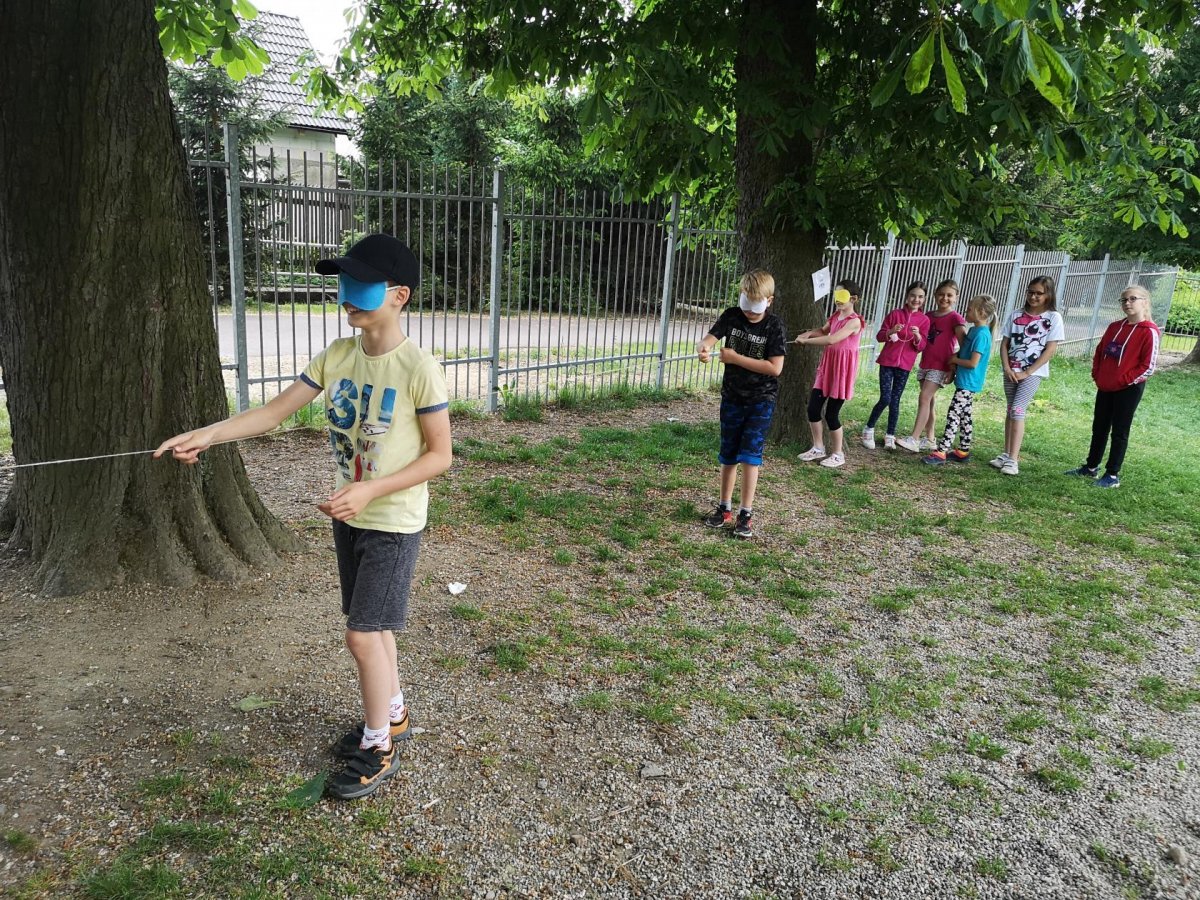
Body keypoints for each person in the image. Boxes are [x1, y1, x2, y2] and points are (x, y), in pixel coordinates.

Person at [155, 234, 452, 801]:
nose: (347, 295)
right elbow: (272, 413)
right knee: (375, 629)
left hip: (393, 521)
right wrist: (208, 434)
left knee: (361, 635)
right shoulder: (337, 356)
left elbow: (441, 456)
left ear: (399, 295)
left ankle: (378, 747)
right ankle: (393, 716)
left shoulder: (419, 368)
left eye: (361, 285)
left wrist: (370, 491)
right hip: (350, 515)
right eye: (343, 283)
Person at [698, 269, 788, 539]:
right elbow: (709, 339)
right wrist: (704, 349)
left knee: (750, 456)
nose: (749, 309)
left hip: (761, 401)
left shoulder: (774, 327)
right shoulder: (731, 316)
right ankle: (724, 507)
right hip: (732, 398)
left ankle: (745, 513)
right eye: (745, 300)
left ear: (769, 301)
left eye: (755, 303)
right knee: (728, 454)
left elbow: (775, 368)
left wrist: (736, 358)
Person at [1064, 285, 1160, 488]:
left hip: (1128, 389)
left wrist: (1122, 381)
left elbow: (1148, 367)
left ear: (1145, 302)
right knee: (1099, 427)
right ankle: (1091, 467)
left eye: (1133, 299)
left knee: (1119, 431)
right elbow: (1100, 352)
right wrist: (1098, 375)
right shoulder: (1115, 327)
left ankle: (1112, 475)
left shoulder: (1149, 331)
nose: (1127, 303)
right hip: (1105, 386)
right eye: (1124, 300)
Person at [991, 275, 1065, 476]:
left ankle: (1013, 460)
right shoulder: (1016, 314)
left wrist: (1028, 372)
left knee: (1018, 409)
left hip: (1032, 373)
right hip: (1011, 371)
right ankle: (1007, 453)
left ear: (1048, 295)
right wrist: (1007, 367)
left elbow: (1050, 349)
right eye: (1030, 292)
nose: (1033, 297)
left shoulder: (1053, 318)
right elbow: (1005, 344)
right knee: (1010, 410)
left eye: (1039, 293)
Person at [795, 280, 866, 469]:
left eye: (842, 296)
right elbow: (823, 331)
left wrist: (806, 342)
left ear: (853, 299)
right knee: (813, 409)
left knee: (832, 414)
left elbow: (832, 339)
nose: (837, 300)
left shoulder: (855, 321)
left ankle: (838, 454)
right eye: (836, 295)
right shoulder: (835, 316)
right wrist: (808, 334)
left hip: (841, 371)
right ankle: (818, 448)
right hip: (827, 368)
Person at [923, 294, 996, 465]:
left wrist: (955, 360)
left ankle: (941, 452)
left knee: (953, 414)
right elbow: (965, 352)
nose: (966, 312)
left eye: (970, 309)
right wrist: (954, 361)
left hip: (969, 382)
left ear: (981, 312)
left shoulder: (982, 335)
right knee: (965, 415)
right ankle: (963, 450)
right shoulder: (974, 330)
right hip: (965, 381)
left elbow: (972, 363)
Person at [897, 279, 967, 453]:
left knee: (924, 398)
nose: (945, 298)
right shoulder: (928, 316)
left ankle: (914, 439)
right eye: (941, 294)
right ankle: (930, 439)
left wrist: (952, 367)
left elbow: (964, 345)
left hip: (941, 366)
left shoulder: (955, 318)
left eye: (949, 295)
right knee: (929, 401)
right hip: (926, 364)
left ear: (956, 297)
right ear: (935, 295)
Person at [861, 281, 929, 450]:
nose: (916, 299)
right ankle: (868, 429)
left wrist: (918, 336)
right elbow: (879, 336)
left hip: (905, 366)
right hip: (887, 362)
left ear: (924, 299)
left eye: (920, 297)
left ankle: (890, 435)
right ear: (907, 296)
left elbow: (921, 347)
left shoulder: (924, 320)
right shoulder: (895, 314)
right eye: (913, 295)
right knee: (886, 398)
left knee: (895, 400)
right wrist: (891, 331)